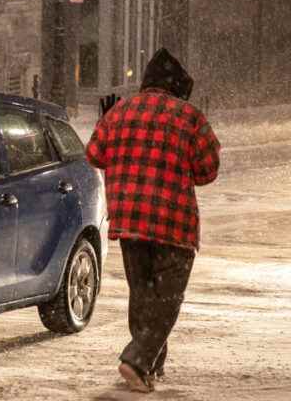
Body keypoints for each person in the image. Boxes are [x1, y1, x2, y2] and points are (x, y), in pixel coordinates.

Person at [86, 48, 221, 393]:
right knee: (167, 299)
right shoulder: (190, 117)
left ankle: (151, 365)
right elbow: (207, 171)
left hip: (130, 220)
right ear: (177, 87)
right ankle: (136, 361)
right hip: (173, 224)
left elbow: (94, 155)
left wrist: (109, 123)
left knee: (143, 296)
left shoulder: (119, 111)